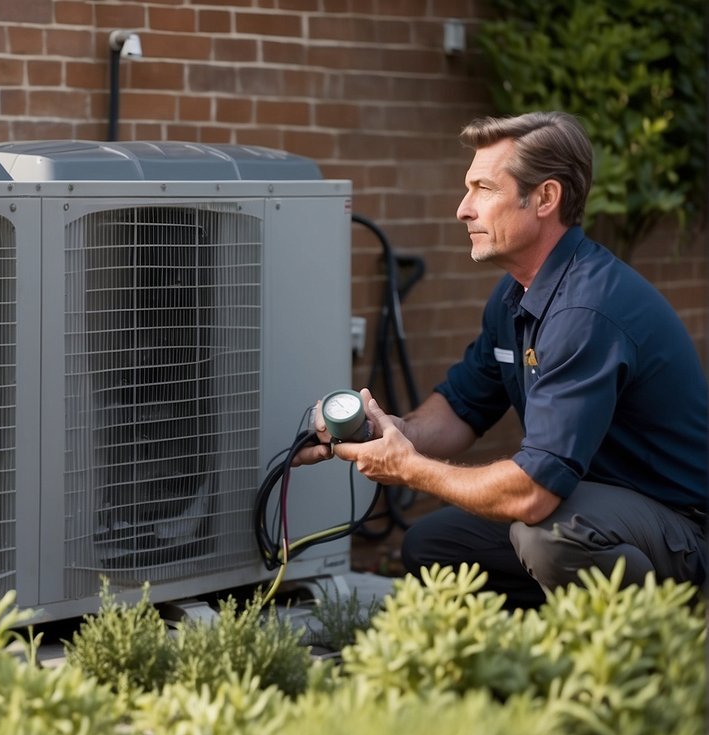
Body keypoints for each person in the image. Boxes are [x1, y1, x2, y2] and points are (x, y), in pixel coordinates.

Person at [296, 111, 707, 608]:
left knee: (549, 534)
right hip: (599, 508)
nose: (463, 209)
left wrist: (410, 469)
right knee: (436, 548)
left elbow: (532, 493)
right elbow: (462, 407)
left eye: (483, 188)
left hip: (682, 531)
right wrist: (386, 432)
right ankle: (534, 656)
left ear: (545, 199)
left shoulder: (586, 310)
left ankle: (644, 658)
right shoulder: (516, 296)